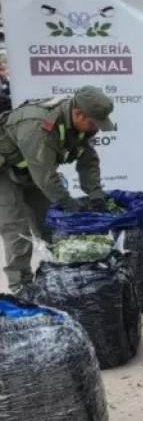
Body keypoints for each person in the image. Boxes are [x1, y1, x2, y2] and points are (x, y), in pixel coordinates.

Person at [0, 86, 115, 293]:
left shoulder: (79, 124)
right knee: (17, 231)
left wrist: (96, 194)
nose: (94, 129)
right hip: (4, 173)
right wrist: (70, 205)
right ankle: (21, 287)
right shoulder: (37, 126)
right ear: (78, 113)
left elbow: (87, 159)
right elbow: (45, 178)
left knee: (49, 222)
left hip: (30, 171)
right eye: (92, 123)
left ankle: (57, 273)